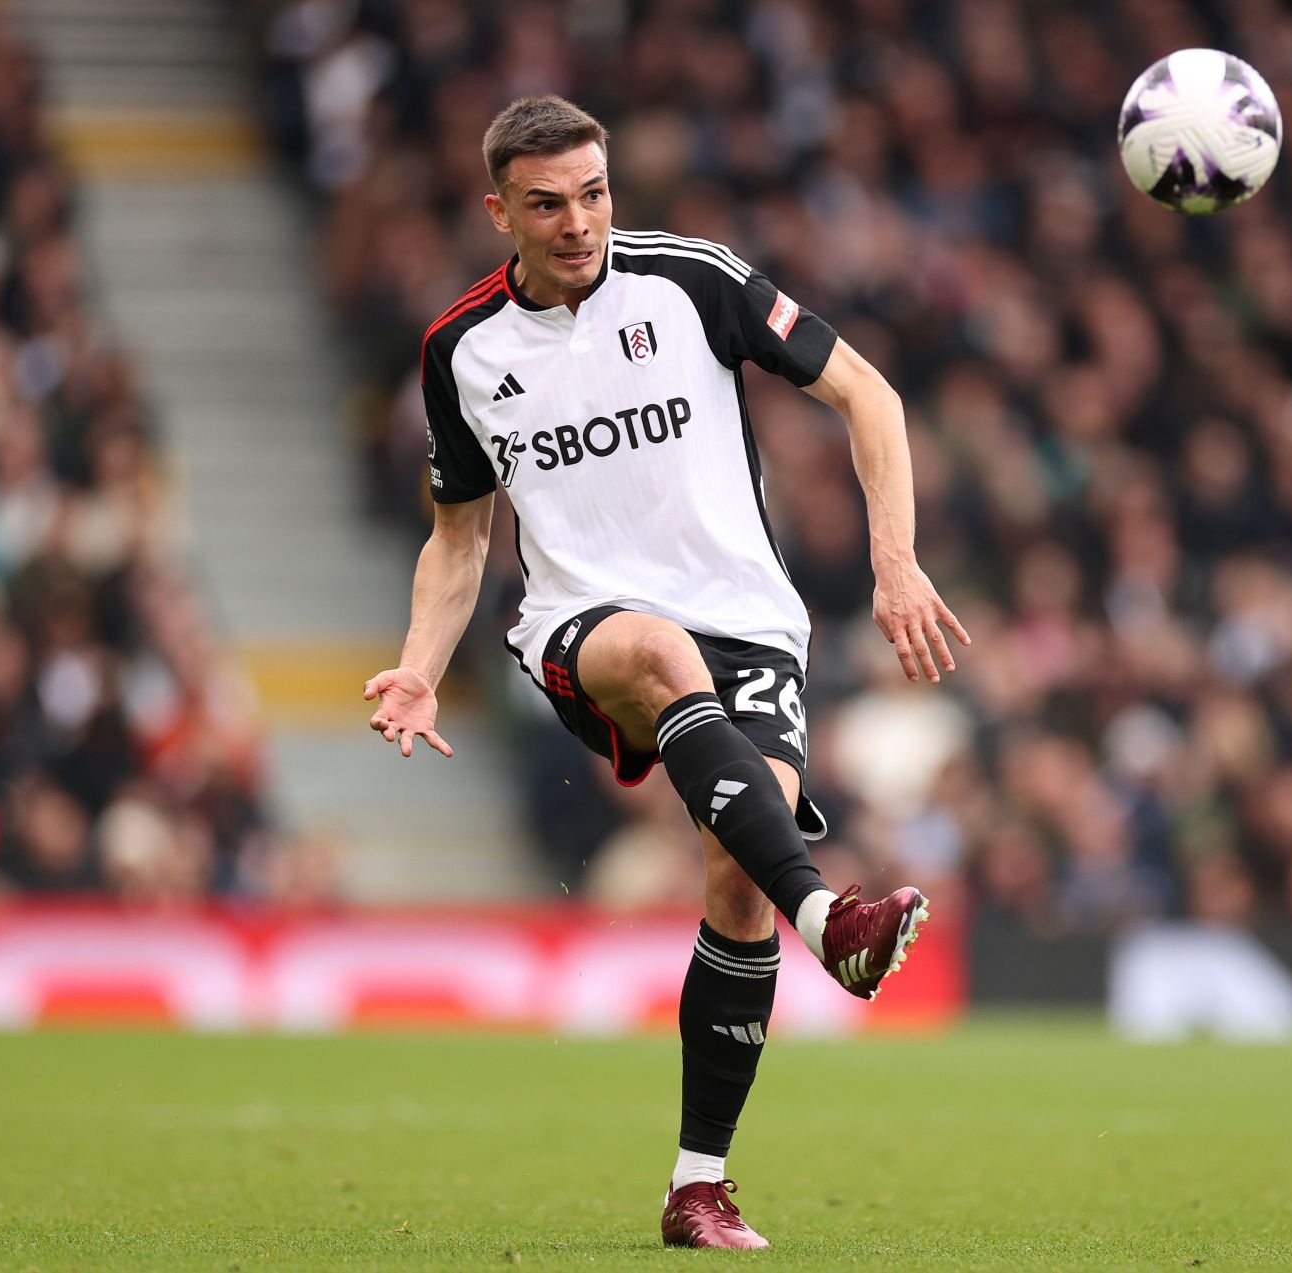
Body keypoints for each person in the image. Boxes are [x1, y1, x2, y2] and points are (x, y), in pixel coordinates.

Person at [362, 95, 969, 1250]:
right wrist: (418, 667)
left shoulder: (691, 280)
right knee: (654, 649)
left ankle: (699, 1184)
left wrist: (894, 562)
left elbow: (868, 394)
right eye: (547, 203)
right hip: (581, 621)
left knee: (738, 877)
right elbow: (459, 537)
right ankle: (832, 914)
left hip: (749, 622)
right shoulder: (461, 351)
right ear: (500, 211)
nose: (580, 222)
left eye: (594, 193)